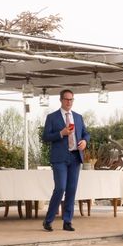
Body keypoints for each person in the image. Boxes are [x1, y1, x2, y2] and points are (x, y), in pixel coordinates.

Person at [42, 89, 90, 232]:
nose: (69, 102)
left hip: (75, 157)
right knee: (60, 188)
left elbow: (86, 134)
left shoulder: (78, 117)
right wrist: (61, 133)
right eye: (67, 99)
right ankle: (48, 220)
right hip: (59, 159)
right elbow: (45, 137)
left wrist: (84, 142)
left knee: (71, 189)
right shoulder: (52, 117)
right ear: (61, 100)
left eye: (71, 99)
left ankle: (67, 221)